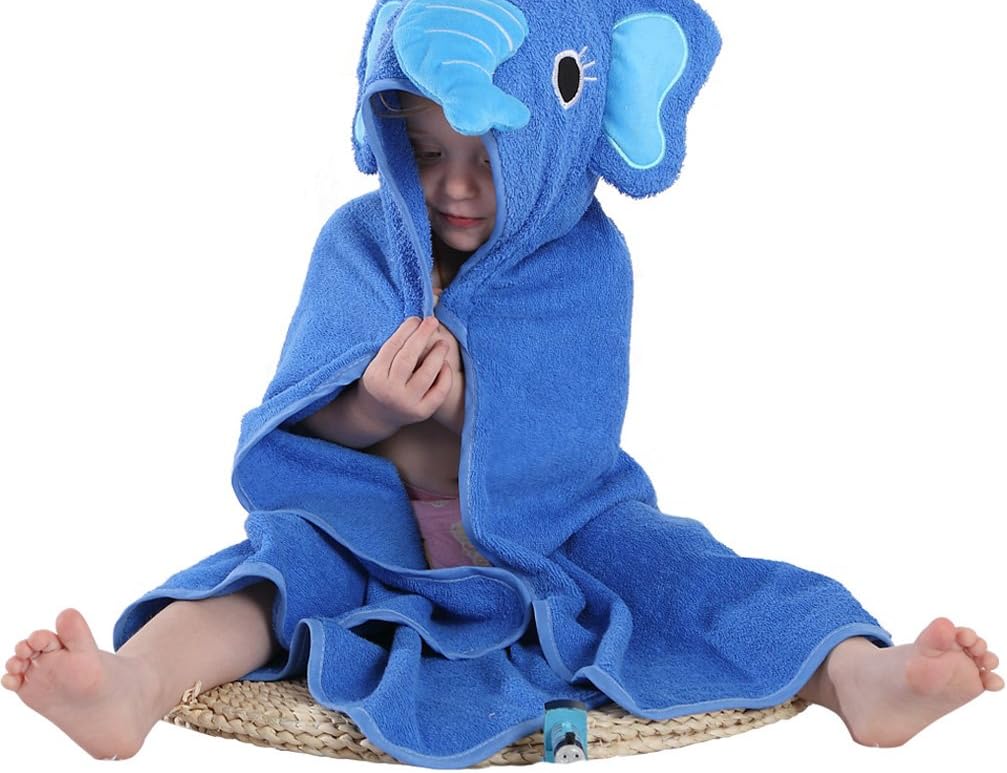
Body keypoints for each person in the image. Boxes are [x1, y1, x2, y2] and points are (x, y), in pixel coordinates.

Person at [2, 91, 1001, 761]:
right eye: (428, 153)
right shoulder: (359, 246)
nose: (455, 186)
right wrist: (373, 407)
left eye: (490, 158)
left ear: (553, 147)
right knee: (256, 578)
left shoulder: (584, 261)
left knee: (701, 574)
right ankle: (133, 689)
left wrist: (479, 404)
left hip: (558, 535)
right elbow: (297, 430)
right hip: (374, 543)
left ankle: (859, 677)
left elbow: (574, 428)